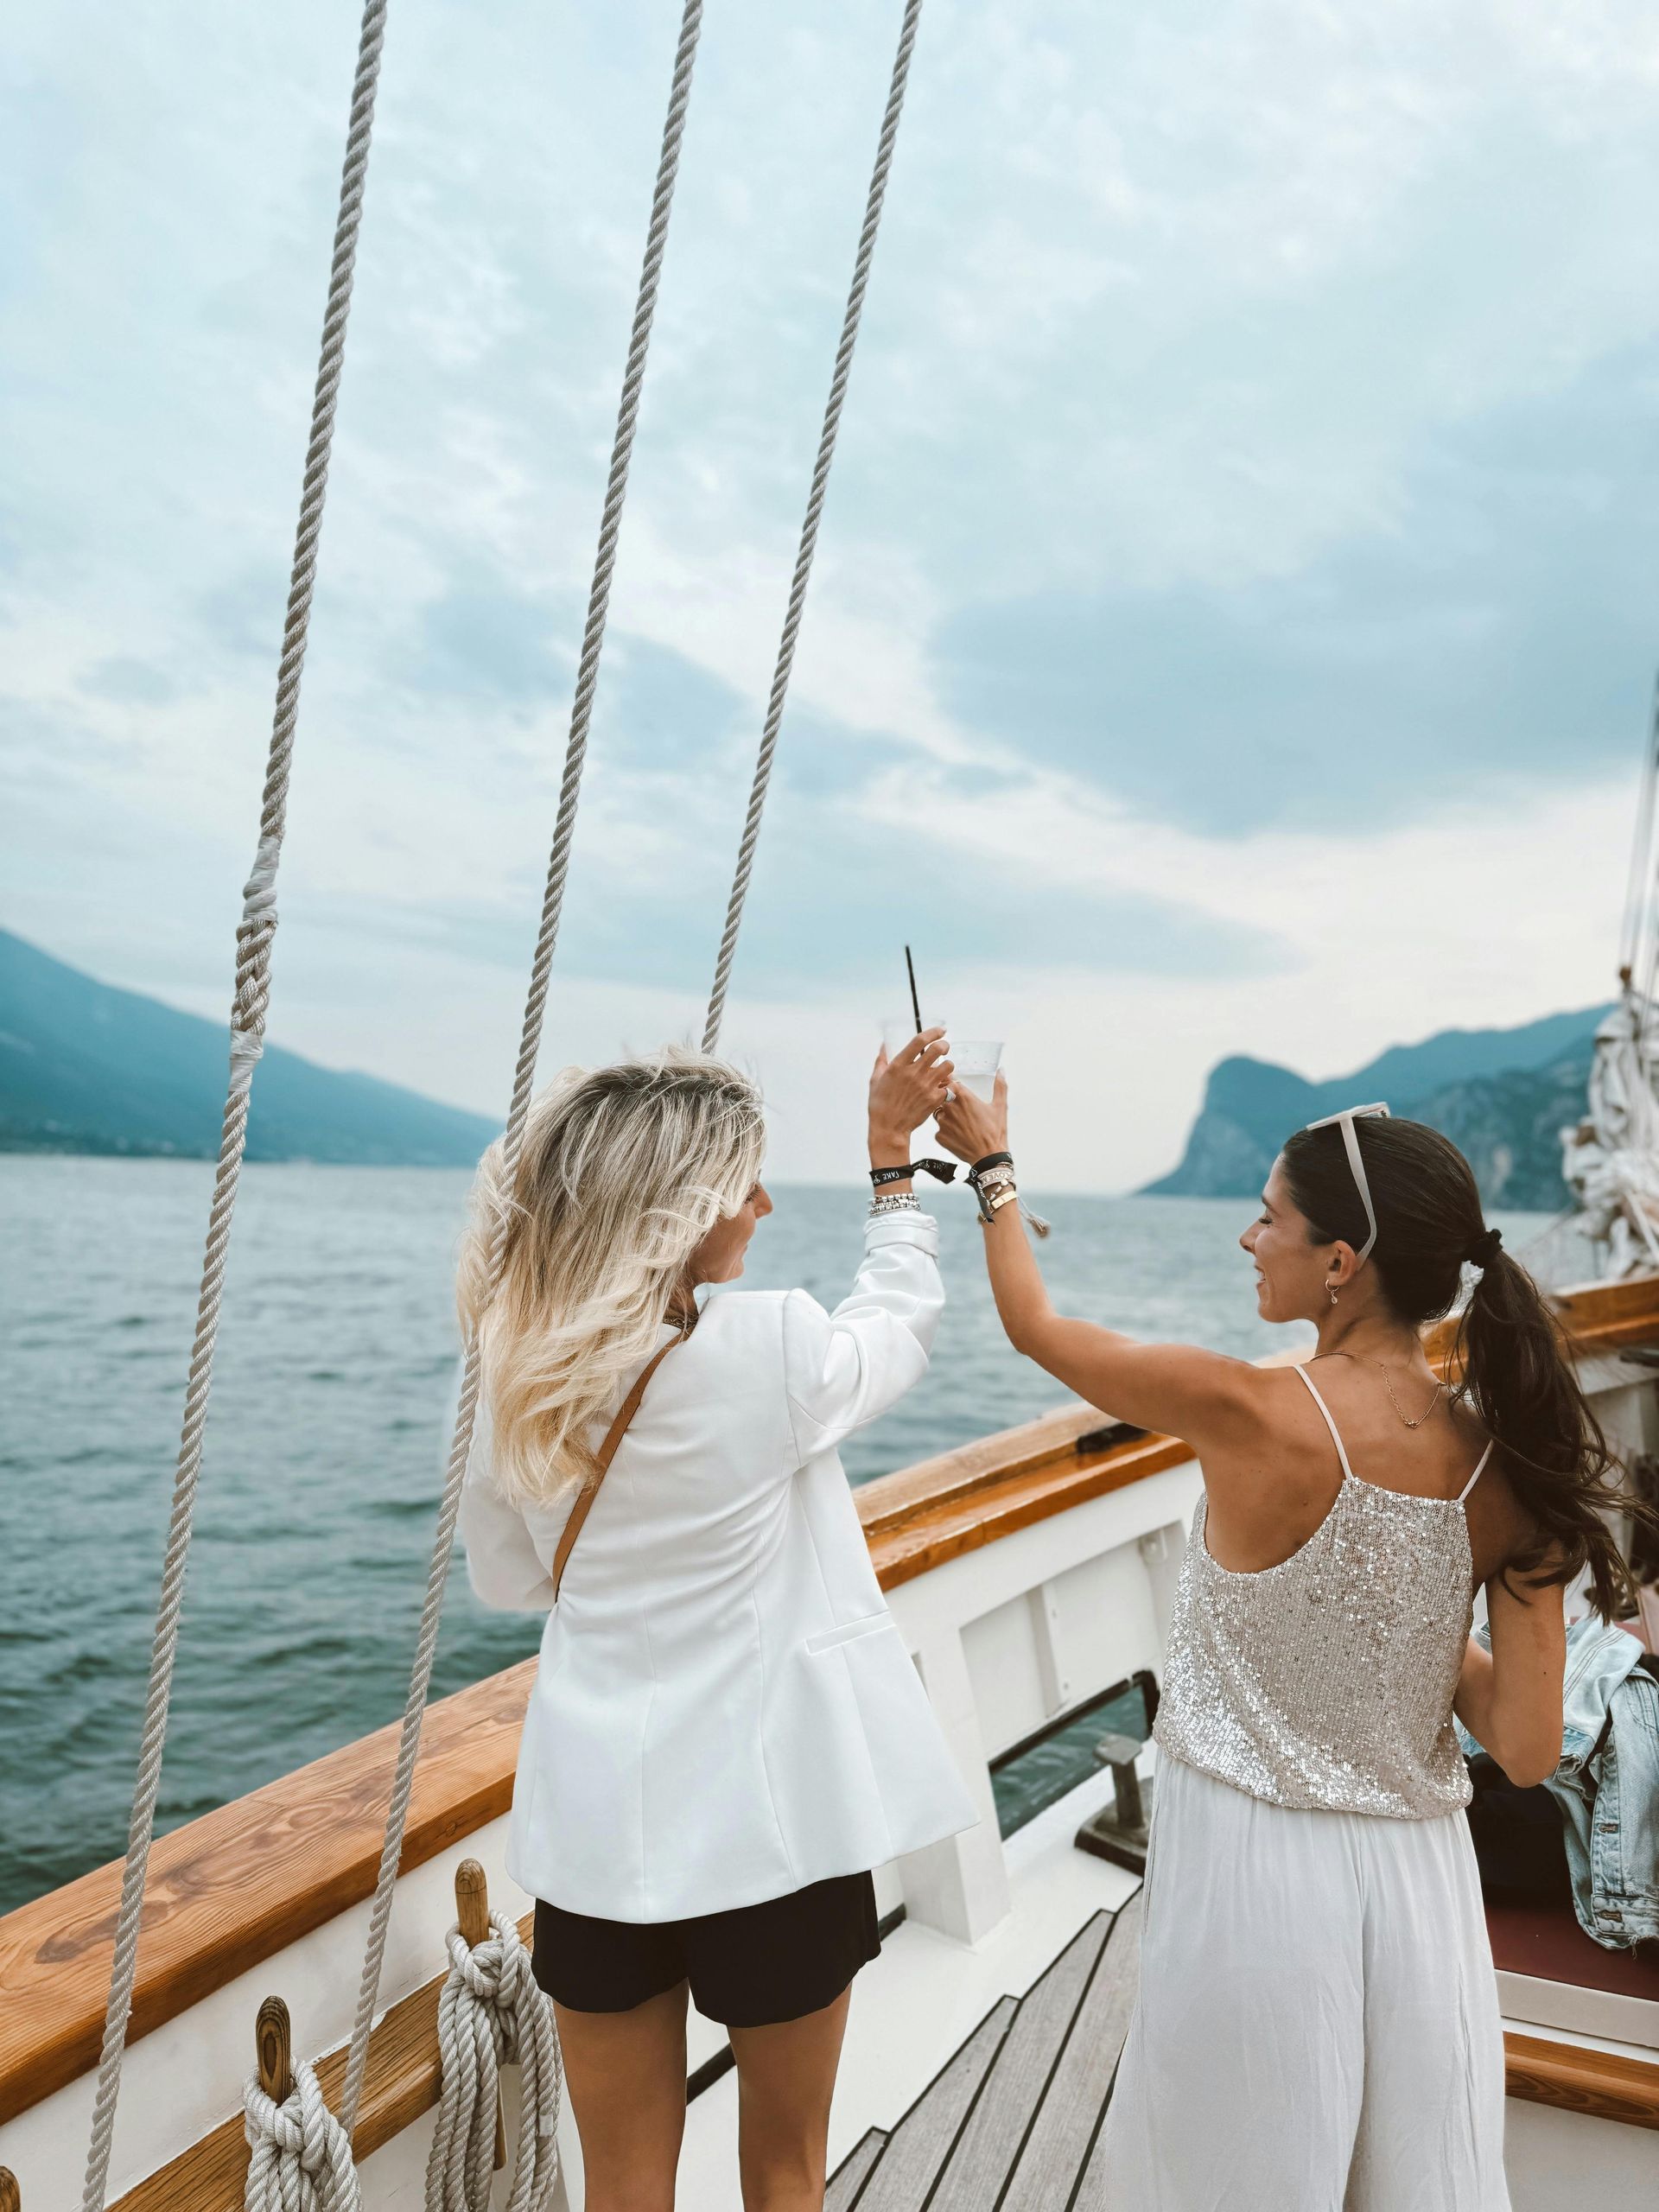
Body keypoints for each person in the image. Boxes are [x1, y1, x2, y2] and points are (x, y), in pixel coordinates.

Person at [934, 1082, 1656, 2211]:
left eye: (1269, 1216)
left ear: (1341, 1262)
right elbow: (1522, 1751)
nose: (1246, 1234)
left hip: (1254, 1874)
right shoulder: (1505, 1469)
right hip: (1417, 1886)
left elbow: (1035, 1327)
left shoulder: (1247, 1410)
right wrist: (1414, 1639)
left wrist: (994, 1169)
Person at [459, 1040, 977, 2212]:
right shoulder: (771, 1347)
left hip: (599, 1835)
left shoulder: (514, 1375)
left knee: (624, 2189)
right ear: (678, 1212)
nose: (763, 1203)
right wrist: (893, 1168)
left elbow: (510, 1580)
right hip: (772, 1832)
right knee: (784, 2175)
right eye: (743, 1182)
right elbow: (897, 1321)